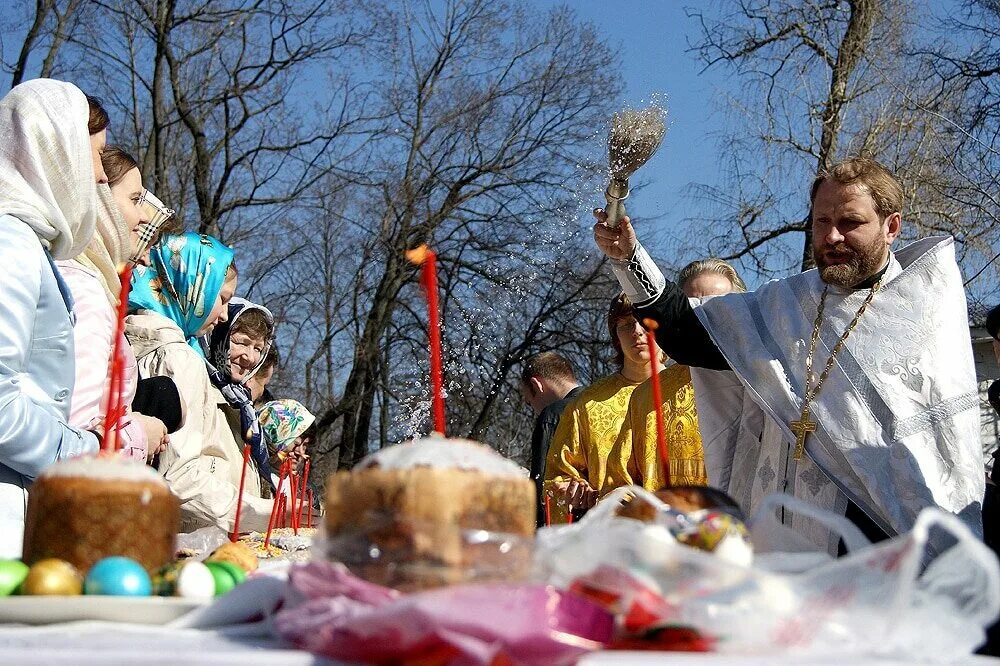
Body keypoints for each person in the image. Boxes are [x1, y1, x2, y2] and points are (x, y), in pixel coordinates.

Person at [593, 156, 984, 553]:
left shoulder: (921, 308)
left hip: (886, 537)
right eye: (821, 222)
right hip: (791, 530)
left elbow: (935, 448)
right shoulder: (786, 304)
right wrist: (628, 256)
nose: (831, 237)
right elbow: (689, 334)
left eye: (850, 222)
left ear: (891, 227)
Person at [0, 80, 109, 555]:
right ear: (55, 150)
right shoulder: (12, 243)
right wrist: (83, 452)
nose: (102, 177)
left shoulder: (27, 242)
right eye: (97, 155)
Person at [126, 232, 275, 532]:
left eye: (259, 349)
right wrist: (269, 514)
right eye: (220, 299)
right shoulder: (178, 357)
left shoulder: (141, 338)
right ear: (193, 286)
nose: (222, 315)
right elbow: (179, 476)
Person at [58, 146, 173, 463]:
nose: (141, 216)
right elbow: (73, 442)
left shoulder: (92, 287)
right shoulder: (84, 289)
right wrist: (140, 433)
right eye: (135, 200)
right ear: (100, 200)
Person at [608, 259, 746, 493]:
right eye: (693, 308)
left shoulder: (763, 386)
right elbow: (625, 480)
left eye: (717, 305)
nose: (705, 318)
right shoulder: (647, 397)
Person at [544, 294, 663, 523]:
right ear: (616, 337)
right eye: (626, 324)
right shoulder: (587, 404)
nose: (637, 331)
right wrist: (574, 490)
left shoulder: (690, 393)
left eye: (644, 320)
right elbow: (556, 478)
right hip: (611, 535)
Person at [207, 298, 276, 492]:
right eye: (242, 342)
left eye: (258, 349)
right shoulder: (201, 386)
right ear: (220, 334)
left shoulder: (242, 406)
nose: (250, 357)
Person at [519, 351, 583, 526]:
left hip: (567, 527)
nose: (532, 408)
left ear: (537, 384)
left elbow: (541, 484)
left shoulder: (552, 416)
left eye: (528, 401)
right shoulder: (602, 404)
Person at [258, 399, 315, 498]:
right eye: (296, 444)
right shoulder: (252, 476)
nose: (301, 453)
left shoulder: (304, 491)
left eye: (305, 446)